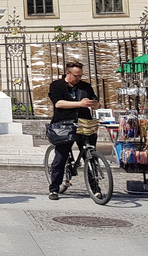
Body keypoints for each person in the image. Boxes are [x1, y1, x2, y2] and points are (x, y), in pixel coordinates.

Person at [48, 61, 99, 200]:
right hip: (64, 124)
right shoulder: (57, 85)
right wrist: (79, 103)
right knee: (61, 156)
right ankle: (54, 188)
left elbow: (96, 101)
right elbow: (58, 103)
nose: (78, 78)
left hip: (84, 123)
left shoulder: (85, 86)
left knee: (90, 156)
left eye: (81, 76)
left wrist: (94, 104)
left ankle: (96, 188)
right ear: (68, 73)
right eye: (76, 76)